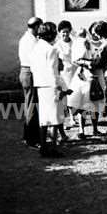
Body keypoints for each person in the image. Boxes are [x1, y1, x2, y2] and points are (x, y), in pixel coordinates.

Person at [30, 22, 65, 158]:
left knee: (44, 118)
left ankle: (44, 146)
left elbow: (33, 68)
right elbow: (52, 70)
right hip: (51, 85)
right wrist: (57, 86)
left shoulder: (36, 48)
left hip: (40, 84)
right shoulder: (51, 49)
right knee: (55, 118)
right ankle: (54, 148)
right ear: (51, 34)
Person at [68, 28, 105, 139]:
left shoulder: (97, 43)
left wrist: (97, 62)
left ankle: (94, 129)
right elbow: (76, 59)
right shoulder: (80, 43)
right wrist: (88, 63)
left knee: (95, 102)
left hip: (96, 74)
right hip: (84, 74)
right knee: (82, 103)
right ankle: (81, 129)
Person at [18, 16, 43, 148]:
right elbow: (35, 59)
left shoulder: (27, 38)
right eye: (41, 27)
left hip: (26, 71)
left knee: (29, 105)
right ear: (36, 27)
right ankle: (32, 139)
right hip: (30, 72)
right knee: (32, 106)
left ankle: (28, 136)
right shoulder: (30, 41)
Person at [54, 20, 76, 128]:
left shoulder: (74, 42)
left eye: (67, 32)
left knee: (73, 96)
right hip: (63, 73)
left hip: (74, 72)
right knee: (64, 97)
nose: (65, 34)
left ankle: (73, 118)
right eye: (63, 32)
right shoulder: (57, 45)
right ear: (59, 32)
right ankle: (64, 120)